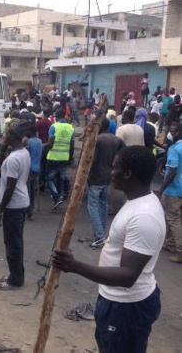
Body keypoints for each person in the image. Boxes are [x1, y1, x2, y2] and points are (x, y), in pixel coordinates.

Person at [53, 145, 164, 353]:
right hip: (117, 301)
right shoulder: (137, 202)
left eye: (115, 168)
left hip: (127, 307)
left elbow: (127, 276)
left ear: (128, 173)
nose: (111, 173)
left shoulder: (144, 217)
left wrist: (75, 266)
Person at [0, 120, 31, 291]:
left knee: (12, 244)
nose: (4, 136)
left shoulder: (13, 159)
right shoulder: (23, 153)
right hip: (21, 203)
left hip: (13, 206)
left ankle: (15, 280)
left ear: (14, 137)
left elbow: (10, 187)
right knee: (16, 242)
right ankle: (15, 275)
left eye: (7, 134)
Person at [87, 115, 125, 248]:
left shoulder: (97, 140)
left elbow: (91, 160)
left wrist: (87, 175)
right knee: (103, 204)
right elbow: (123, 154)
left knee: (93, 206)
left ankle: (99, 236)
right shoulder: (116, 139)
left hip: (96, 176)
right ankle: (102, 234)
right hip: (108, 176)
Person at [155, 125, 182, 261]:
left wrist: (161, 189)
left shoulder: (174, 149)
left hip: (174, 188)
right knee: (175, 217)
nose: (171, 134)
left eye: (173, 131)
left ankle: (180, 251)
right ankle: (170, 243)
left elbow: (171, 172)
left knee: (173, 218)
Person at [46, 107, 75, 209]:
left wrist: (44, 149)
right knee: (61, 179)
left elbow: (50, 142)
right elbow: (72, 145)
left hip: (53, 157)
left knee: (49, 179)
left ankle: (56, 197)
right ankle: (58, 199)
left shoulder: (53, 127)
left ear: (56, 116)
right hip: (64, 158)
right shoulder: (71, 128)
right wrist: (70, 158)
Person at [25, 126, 42, 220]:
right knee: (32, 190)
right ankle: (31, 209)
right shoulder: (39, 141)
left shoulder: (28, 142)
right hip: (37, 168)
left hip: (29, 169)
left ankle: (28, 211)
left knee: (28, 190)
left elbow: (27, 155)